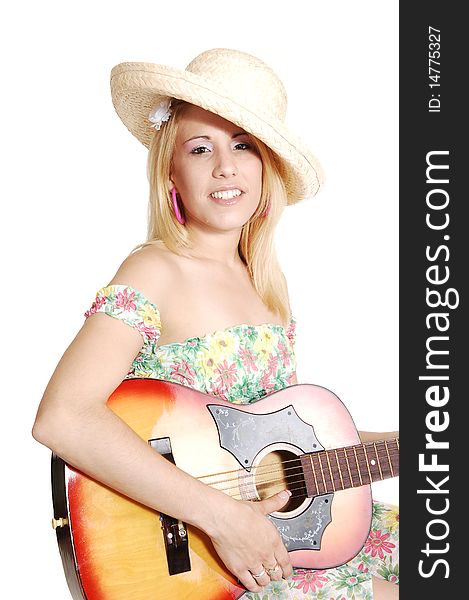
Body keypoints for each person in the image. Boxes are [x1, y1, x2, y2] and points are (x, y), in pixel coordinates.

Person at [32, 48, 399, 599]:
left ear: (266, 167)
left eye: (244, 146)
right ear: (171, 170)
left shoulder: (266, 285)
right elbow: (62, 417)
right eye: (200, 148)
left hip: (283, 538)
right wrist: (224, 519)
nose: (225, 166)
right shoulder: (153, 269)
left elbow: (283, 448)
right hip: (211, 561)